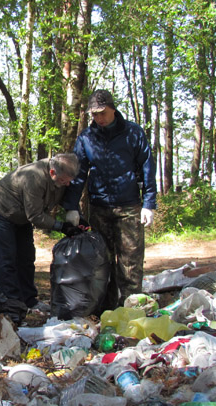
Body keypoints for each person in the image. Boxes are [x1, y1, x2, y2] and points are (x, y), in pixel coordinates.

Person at [63, 89, 157, 310]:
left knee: (130, 264)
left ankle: (132, 311)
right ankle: (106, 311)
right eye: (94, 115)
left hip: (129, 206)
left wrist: (149, 203)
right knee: (101, 262)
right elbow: (77, 173)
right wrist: (71, 207)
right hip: (99, 207)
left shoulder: (133, 133)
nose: (99, 118)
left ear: (113, 109)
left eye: (102, 113)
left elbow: (147, 168)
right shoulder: (86, 138)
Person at [0, 153, 81, 312]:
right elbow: (35, 216)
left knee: (27, 257)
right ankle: (13, 305)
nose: (67, 184)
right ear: (52, 173)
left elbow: (63, 199)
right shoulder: (34, 178)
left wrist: (77, 217)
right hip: (1, 209)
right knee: (6, 259)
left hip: (22, 214)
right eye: (64, 180)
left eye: (69, 180)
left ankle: (29, 300)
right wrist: (61, 226)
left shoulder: (61, 178)